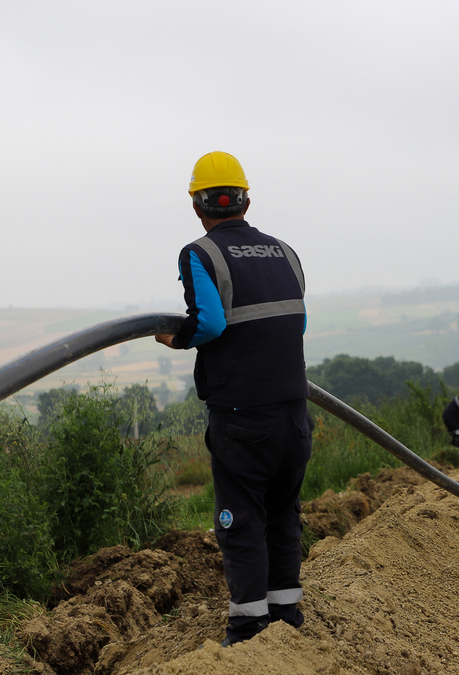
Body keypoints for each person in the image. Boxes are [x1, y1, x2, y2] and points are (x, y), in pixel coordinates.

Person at [155, 151, 312, 647]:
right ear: (245, 200)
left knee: (240, 519)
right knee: (283, 514)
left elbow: (210, 323)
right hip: (294, 413)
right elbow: (297, 323)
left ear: (197, 205)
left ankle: (247, 631)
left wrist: (175, 338)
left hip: (244, 418)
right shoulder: (285, 252)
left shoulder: (200, 253)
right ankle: (286, 619)